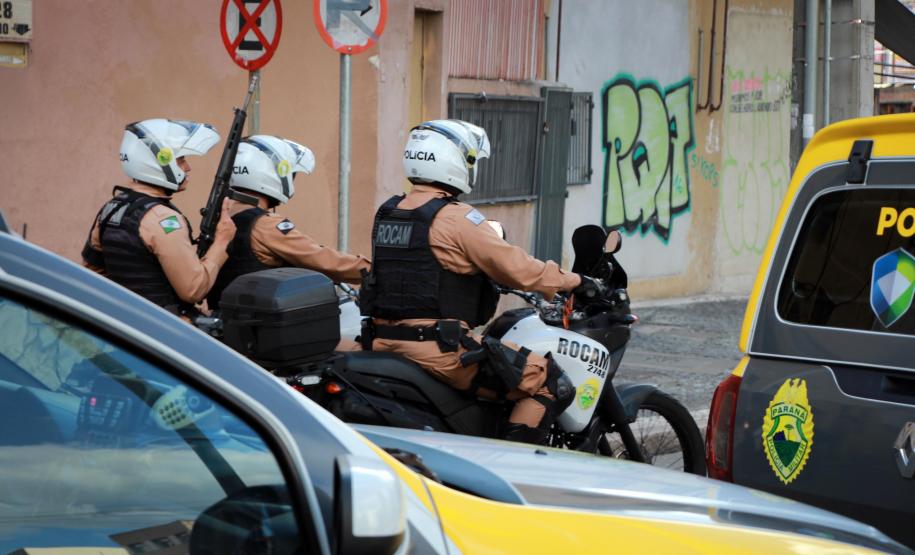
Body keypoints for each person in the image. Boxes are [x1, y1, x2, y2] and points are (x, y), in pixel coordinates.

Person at [359, 119, 601, 444]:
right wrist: (574, 281)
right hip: (438, 352)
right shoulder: (458, 219)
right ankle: (517, 475)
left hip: (380, 341)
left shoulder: (389, 211)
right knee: (548, 379)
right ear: (454, 161)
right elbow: (518, 268)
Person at [82, 119, 236, 316]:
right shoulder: (163, 219)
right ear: (157, 161)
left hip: (127, 327)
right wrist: (222, 240)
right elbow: (194, 290)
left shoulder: (111, 208)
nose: (188, 167)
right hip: (167, 331)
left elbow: (93, 272)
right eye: (181, 160)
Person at [205, 135, 371, 310]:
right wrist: (373, 270)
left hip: (227, 320)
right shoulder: (264, 225)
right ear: (269, 175)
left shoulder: (222, 216)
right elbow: (322, 260)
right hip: (259, 326)